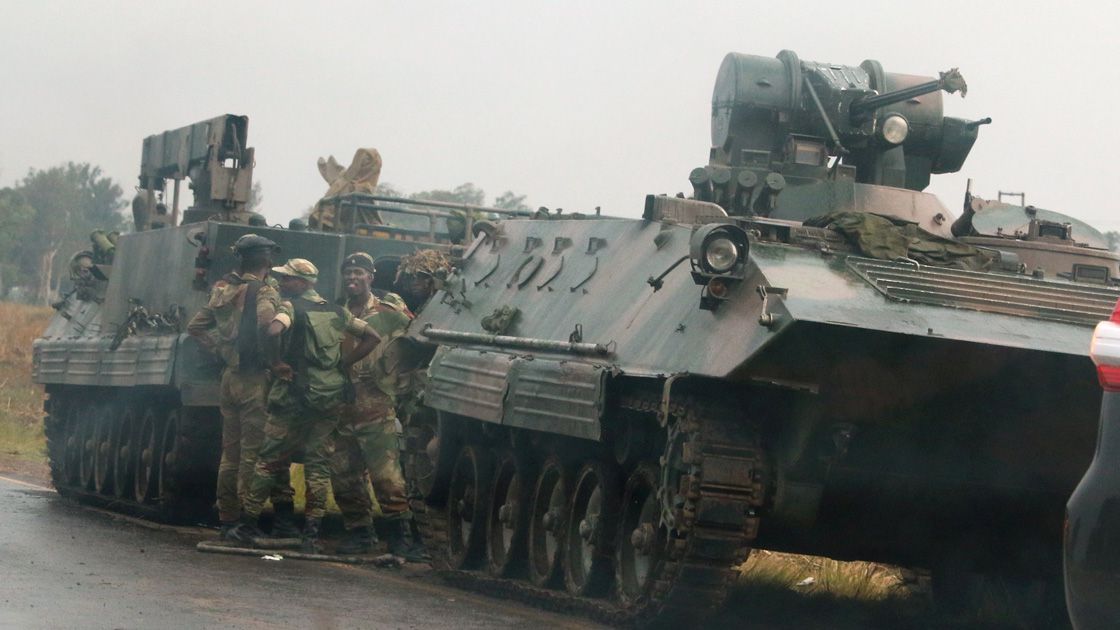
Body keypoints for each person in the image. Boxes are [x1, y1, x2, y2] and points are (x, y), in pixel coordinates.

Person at [230, 258, 380, 552]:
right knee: (319, 465)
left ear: (302, 282)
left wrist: (276, 363)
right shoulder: (337, 311)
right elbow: (372, 336)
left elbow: (274, 331)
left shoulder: (290, 308)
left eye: (288, 279)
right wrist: (342, 363)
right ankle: (311, 534)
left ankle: (246, 525)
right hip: (330, 396)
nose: (283, 284)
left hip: (294, 396)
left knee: (268, 460)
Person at [185, 234, 300, 540]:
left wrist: (220, 350)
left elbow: (195, 327)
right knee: (253, 453)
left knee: (230, 454)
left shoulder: (223, 288)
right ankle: (244, 523)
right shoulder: (262, 290)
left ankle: (227, 518)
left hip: (230, 377)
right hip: (254, 378)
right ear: (267, 260)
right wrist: (276, 363)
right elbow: (266, 328)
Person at [330, 253, 424, 560]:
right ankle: (360, 534)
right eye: (347, 273)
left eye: (358, 272)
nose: (351, 278)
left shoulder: (390, 311)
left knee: (387, 477)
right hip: (341, 405)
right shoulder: (336, 313)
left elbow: (417, 339)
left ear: (371, 276)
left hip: (377, 403)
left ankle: (401, 538)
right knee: (343, 475)